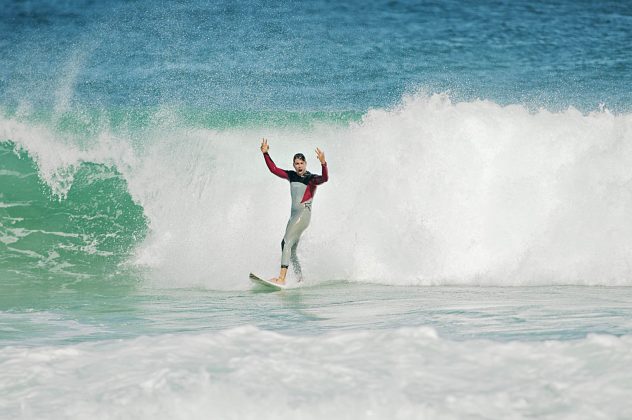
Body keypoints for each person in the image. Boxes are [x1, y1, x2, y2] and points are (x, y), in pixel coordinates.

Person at [260, 138, 328, 285]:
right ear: (293, 165)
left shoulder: (311, 178)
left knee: (286, 242)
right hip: (293, 216)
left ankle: (281, 279)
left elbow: (325, 178)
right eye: (296, 164)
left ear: (305, 164)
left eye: (301, 163)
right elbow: (274, 169)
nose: (299, 166)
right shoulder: (291, 175)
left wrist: (323, 163)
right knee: (289, 248)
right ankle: (299, 278)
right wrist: (265, 153)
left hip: (303, 215)